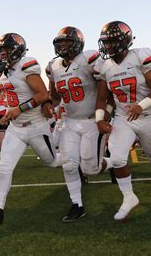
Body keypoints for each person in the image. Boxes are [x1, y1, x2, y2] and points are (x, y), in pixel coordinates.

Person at [0, 33, 61, 224]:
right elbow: (11, 98)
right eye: (2, 50)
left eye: (7, 49)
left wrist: (19, 109)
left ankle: (76, 163)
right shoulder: (5, 71)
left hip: (36, 125)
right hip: (16, 128)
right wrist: (8, 113)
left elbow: (42, 94)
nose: (3, 54)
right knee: (5, 166)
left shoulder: (27, 64)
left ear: (18, 50)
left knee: (53, 162)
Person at [95, 21, 151, 221]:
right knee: (118, 158)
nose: (108, 46)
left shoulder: (139, 57)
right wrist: (100, 119)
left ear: (123, 40)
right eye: (106, 42)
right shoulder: (105, 66)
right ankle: (129, 197)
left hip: (147, 115)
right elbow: (103, 98)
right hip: (123, 117)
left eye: (111, 42)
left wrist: (141, 106)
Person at [45, 26, 113, 222]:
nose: (63, 46)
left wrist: (104, 115)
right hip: (70, 122)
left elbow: (107, 89)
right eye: (60, 42)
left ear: (78, 43)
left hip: (92, 120)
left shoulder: (90, 59)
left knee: (91, 169)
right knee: (69, 165)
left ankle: (113, 164)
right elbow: (55, 96)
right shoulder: (53, 66)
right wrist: (49, 105)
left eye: (67, 41)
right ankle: (77, 205)